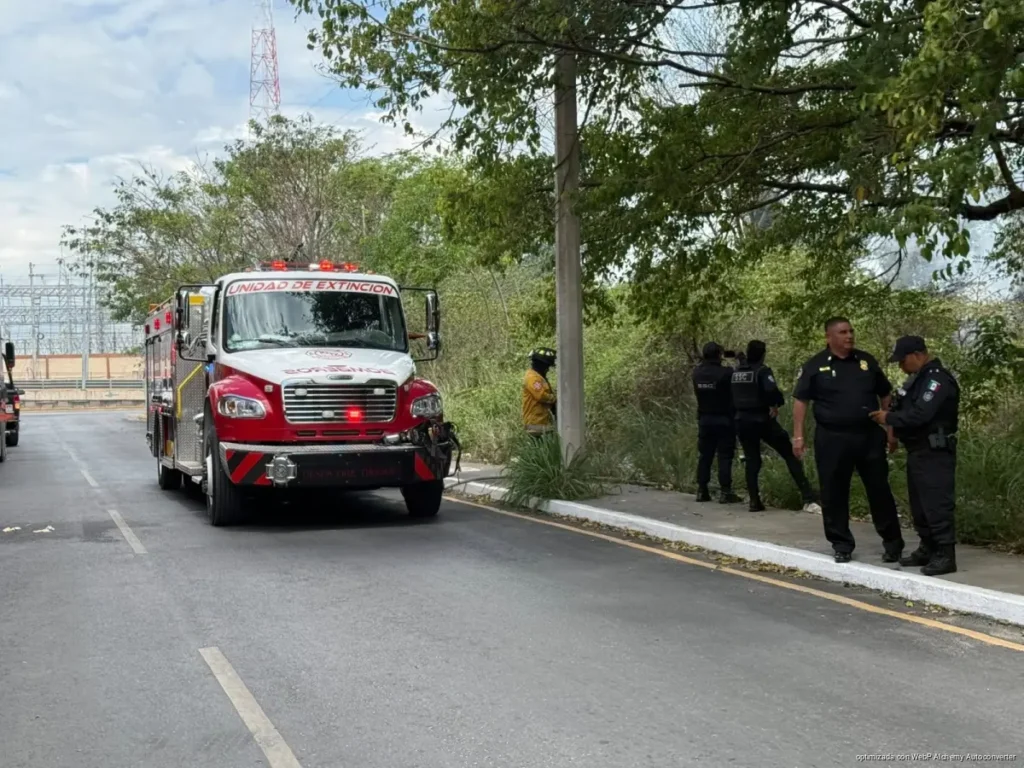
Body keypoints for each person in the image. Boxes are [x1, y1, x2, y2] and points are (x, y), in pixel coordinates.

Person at [791, 317, 905, 563]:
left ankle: (893, 543)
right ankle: (841, 543)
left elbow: (885, 394)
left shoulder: (866, 361)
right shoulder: (815, 365)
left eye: (851, 331)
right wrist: (798, 436)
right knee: (833, 492)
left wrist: (890, 430)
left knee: (879, 489)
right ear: (829, 337)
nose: (849, 336)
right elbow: (801, 400)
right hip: (832, 437)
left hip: (868, 435)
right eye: (843, 332)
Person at [869, 336, 960, 576]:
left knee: (936, 503)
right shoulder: (917, 380)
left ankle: (945, 554)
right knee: (920, 505)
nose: (900, 366)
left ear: (918, 355)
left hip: (935, 451)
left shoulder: (936, 379)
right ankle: (927, 547)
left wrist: (888, 418)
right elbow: (905, 409)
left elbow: (921, 414)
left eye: (902, 360)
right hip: (918, 449)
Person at [731, 340, 821, 513]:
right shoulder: (762, 371)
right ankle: (808, 497)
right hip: (761, 420)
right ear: (763, 353)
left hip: (741, 420)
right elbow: (771, 390)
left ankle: (754, 501)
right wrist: (776, 403)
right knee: (789, 453)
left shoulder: (737, 372)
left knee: (752, 460)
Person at [692, 342, 740, 503]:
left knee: (705, 456)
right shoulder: (726, 373)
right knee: (725, 456)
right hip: (724, 419)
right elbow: (734, 389)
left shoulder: (697, 373)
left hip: (705, 419)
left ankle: (701, 490)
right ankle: (725, 492)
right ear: (719, 355)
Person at [522, 347, 557, 437]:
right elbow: (541, 396)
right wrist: (555, 398)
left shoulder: (539, 377)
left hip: (542, 422)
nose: (548, 369)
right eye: (547, 366)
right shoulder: (533, 378)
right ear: (541, 365)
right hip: (536, 424)